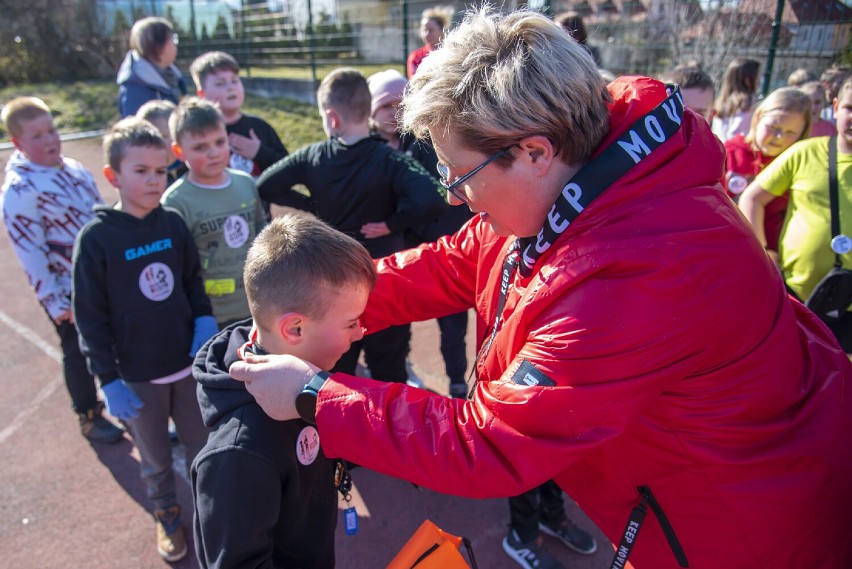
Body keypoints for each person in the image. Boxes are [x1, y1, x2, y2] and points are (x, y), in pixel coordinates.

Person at [230, 9, 852, 568]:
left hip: (742, 534)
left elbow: (487, 444)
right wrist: (318, 309)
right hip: (693, 496)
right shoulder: (588, 179)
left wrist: (314, 395)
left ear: (533, 151)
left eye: (460, 172)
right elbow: (457, 260)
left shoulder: (640, 276)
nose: (450, 193)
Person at [192, 211, 376, 569]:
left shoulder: (307, 367)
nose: (360, 333)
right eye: (352, 322)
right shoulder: (238, 454)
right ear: (294, 329)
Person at [72, 117, 216, 562]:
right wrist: (108, 379)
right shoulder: (96, 240)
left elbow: (192, 280)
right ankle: (167, 513)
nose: (155, 180)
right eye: (141, 171)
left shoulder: (171, 223)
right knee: (154, 459)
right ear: (112, 176)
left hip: (185, 365)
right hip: (136, 378)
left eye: (160, 171)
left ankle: (211, 513)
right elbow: (89, 318)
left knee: (202, 447)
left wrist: (204, 319)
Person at [256, 68, 446, 384]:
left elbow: (266, 184)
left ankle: (336, 427)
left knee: (336, 373)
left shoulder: (313, 156)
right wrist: (391, 223)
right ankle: (388, 429)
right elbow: (435, 198)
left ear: (332, 118)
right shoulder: (390, 158)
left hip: (332, 286)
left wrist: (311, 206)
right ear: (366, 111)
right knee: (390, 371)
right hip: (383, 278)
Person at [0, 96, 123, 444]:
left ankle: (125, 398)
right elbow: (31, 253)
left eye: (51, 130)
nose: (50, 139)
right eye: (37, 136)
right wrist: (55, 302)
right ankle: (88, 414)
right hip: (65, 289)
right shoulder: (20, 191)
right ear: (18, 143)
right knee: (78, 349)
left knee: (112, 339)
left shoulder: (74, 169)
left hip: (98, 278)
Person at [367, 68, 471, 396]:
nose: (396, 112)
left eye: (402, 103)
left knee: (453, 323)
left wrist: (395, 220)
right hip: (403, 248)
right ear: (371, 112)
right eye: (387, 106)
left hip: (444, 241)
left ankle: (456, 381)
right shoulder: (367, 151)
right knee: (398, 319)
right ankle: (404, 364)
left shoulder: (427, 140)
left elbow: (440, 198)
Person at [739, 76, 852, 353]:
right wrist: (764, 253)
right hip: (795, 294)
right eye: (850, 108)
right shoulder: (805, 152)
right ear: (835, 107)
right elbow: (753, 197)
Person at [161, 97, 266, 328]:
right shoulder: (174, 201)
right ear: (179, 151)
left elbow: (262, 236)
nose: (214, 153)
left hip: (257, 307)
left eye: (220, 142)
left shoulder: (246, 184)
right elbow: (179, 267)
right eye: (200, 147)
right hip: (213, 316)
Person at [722, 87, 812, 255]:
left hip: (777, 256)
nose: (779, 137)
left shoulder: (800, 164)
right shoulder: (729, 152)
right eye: (773, 127)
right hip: (728, 249)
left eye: (790, 132)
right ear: (757, 119)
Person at [189, 51, 289, 180]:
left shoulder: (260, 127)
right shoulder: (200, 134)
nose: (230, 87)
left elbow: (289, 170)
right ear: (202, 94)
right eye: (220, 83)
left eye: (234, 81)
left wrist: (259, 152)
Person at [117, 17, 187, 118]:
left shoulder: (174, 78)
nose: (175, 44)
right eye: (172, 39)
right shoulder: (136, 90)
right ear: (158, 47)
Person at [136, 99, 187, 185]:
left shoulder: (193, 169)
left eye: (164, 136)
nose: (159, 144)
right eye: (150, 139)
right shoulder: (140, 178)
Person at [711, 57, 760, 141]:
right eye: (758, 76)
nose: (759, 80)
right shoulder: (746, 101)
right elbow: (738, 132)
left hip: (718, 146)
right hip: (733, 149)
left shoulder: (720, 100)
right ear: (746, 78)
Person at [407, 6, 454, 79]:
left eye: (431, 30)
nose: (426, 34)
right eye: (424, 30)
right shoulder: (416, 56)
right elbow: (414, 83)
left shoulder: (451, 53)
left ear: (442, 31)